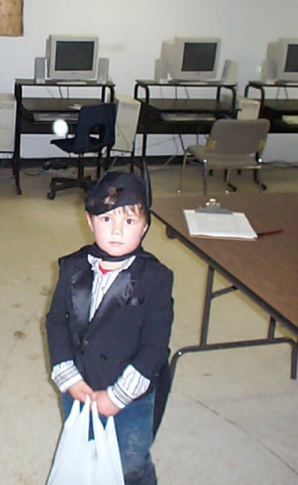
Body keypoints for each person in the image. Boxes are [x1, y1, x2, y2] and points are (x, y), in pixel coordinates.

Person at [45, 171, 174, 485]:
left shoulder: (156, 278)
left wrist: (118, 396)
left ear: (145, 226)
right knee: (86, 451)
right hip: (80, 386)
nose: (117, 230)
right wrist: (68, 375)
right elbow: (56, 321)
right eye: (106, 219)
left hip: (132, 392)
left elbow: (155, 347)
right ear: (90, 221)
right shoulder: (72, 268)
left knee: (130, 462)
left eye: (129, 221)